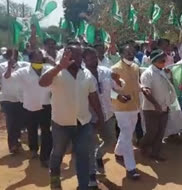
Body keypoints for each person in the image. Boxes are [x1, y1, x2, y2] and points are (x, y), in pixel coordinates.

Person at [39, 41, 105, 190]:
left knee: (83, 156)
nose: (78, 58)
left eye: (80, 55)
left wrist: (100, 116)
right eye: (73, 55)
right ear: (65, 55)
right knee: (58, 152)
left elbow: (93, 97)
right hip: (61, 123)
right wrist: (59, 67)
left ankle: (83, 186)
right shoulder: (56, 72)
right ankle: (55, 177)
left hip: (83, 123)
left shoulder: (86, 73)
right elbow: (42, 82)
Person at [82, 47, 124, 187]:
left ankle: (98, 155)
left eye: (95, 57)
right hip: (90, 117)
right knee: (89, 146)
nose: (94, 59)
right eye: (90, 57)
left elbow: (117, 89)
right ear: (84, 60)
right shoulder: (82, 75)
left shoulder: (106, 71)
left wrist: (118, 81)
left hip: (107, 114)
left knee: (111, 140)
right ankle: (92, 176)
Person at [5, 50, 52, 167]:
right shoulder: (23, 72)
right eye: (36, 58)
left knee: (46, 131)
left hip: (46, 105)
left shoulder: (48, 69)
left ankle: (45, 156)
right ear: (30, 60)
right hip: (30, 106)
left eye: (41, 57)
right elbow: (7, 78)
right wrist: (9, 67)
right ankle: (34, 150)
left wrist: (51, 60)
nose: (39, 60)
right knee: (32, 130)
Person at [111, 45, 145, 180]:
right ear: (121, 54)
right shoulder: (114, 69)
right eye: (127, 52)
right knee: (127, 135)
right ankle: (131, 168)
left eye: (132, 52)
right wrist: (118, 96)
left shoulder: (136, 67)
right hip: (121, 108)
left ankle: (118, 151)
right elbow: (108, 90)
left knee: (128, 132)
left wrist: (142, 87)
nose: (131, 54)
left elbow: (136, 84)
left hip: (135, 106)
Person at [140, 49, 176, 161]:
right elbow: (146, 92)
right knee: (151, 132)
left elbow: (170, 86)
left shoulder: (163, 71)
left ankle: (155, 153)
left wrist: (170, 75)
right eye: (161, 60)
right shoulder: (148, 74)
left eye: (164, 60)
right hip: (151, 108)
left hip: (164, 107)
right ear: (154, 60)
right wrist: (156, 105)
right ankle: (142, 145)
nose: (164, 61)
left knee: (161, 132)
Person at [0, 49, 29, 153]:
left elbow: (36, 65)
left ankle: (17, 140)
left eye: (15, 55)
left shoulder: (24, 65)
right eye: (10, 54)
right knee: (11, 122)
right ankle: (12, 144)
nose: (12, 57)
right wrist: (9, 67)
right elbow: (5, 78)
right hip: (7, 99)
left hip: (21, 99)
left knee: (19, 122)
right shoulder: (1, 66)